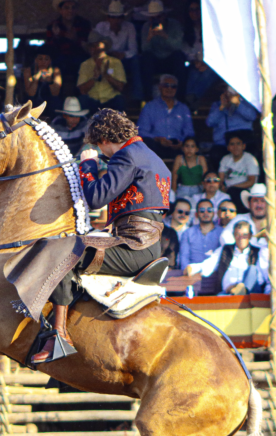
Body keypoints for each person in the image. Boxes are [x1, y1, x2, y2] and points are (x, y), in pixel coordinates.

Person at [37, 109, 171, 363]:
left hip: (134, 245)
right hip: (147, 242)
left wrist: (88, 164)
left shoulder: (127, 155)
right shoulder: (152, 157)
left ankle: (60, 336)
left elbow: (96, 197)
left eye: (99, 145)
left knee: (65, 251)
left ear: (104, 140)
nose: (102, 151)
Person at [185, 221, 265, 295]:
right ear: (233, 235)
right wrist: (193, 268)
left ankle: (242, 291)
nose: (241, 238)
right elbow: (209, 263)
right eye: (238, 234)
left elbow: (261, 278)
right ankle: (237, 292)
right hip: (227, 293)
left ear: (250, 235)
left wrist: (238, 285)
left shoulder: (257, 251)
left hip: (252, 295)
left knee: (252, 269)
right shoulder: (226, 250)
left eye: (245, 235)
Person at [137, 74, 193, 159]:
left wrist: (182, 141)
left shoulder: (183, 108)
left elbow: (189, 131)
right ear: (160, 87)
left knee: (190, 144)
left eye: (173, 86)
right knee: (147, 143)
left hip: (178, 146)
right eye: (166, 85)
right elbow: (142, 130)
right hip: (156, 145)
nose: (169, 88)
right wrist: (158, 139)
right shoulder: (149, 106)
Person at [94, 0, 141, 100]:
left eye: (119, 17)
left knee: (136, 61)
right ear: (108, 18)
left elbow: (134, 50)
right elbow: (95, 47)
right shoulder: (100, 27)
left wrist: (122, 54)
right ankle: (102, 96)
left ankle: (138, 98)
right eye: (113, 17)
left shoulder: (129, 27)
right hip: (107, 59)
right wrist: (109, 54)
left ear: (123, 18)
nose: (116, 20)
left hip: (123, 60)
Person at [139, 0, 185, 98]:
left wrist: (165, 35)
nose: (156, 20)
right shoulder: (146, 27)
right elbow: (144, 49)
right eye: (152, 18)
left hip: (171, 60)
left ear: (164, 16)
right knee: (145, 59)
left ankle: (181, 98)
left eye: (158, 17)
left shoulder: (174, 25)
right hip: (155, 61)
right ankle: (147, 98)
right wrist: (149, 38)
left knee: (179, 57)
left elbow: (178, 46)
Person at [45, 0, 92, 83]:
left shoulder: (84, 24)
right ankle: (57, 95)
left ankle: (80, 95)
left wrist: (75, 40)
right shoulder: (53, 25)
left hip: (79, 58)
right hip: (60, 59)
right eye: (66, 8)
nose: (70, 11)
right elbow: (49, 49)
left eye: (73, 8)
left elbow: (88, 47)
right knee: (55, 66)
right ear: (60, 10)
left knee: (83, 65)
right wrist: (56, 37)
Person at [77, 37, 127, 112]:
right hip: (93, 101)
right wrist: (94, 78)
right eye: (92, 46)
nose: (96, 49)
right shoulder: (85, 64)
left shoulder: (116, 62)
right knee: (83, 99)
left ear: (104, 48)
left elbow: (120, 87)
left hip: (111, 100)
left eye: (98, 46)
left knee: (120, 100)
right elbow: (82, 91)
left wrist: (106, 76)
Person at [219, 133, 261, 209]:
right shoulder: (225, 159)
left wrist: (232, 187)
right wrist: (222, 187)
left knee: (233, 192)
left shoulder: (250, 159)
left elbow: (251, 182)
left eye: (238, 144)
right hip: (228, 190)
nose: (235, 147)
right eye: (232, 144)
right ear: (228, 147)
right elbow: (220, 179)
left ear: (243, 146)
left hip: (246, 191)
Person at [178, 198, 222, 269]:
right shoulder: (188, 233)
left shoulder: (221, 232)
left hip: (215, 274)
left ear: (214, 213)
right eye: (202, 211)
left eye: (209, 210)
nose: (206, 213)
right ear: (196, 214)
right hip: (191, 274)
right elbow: (184, 258)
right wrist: (187, 272)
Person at [171, 138, 207, 203]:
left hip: (198, 188)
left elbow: (206, 177)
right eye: (187, 146)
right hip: (183, 188)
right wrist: (173, 193)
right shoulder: (179, 158)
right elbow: (174, 178)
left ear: (197, 149)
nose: (189, 149)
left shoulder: (201, 159)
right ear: (182, 148)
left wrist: (204, 192)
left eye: (192, 146)